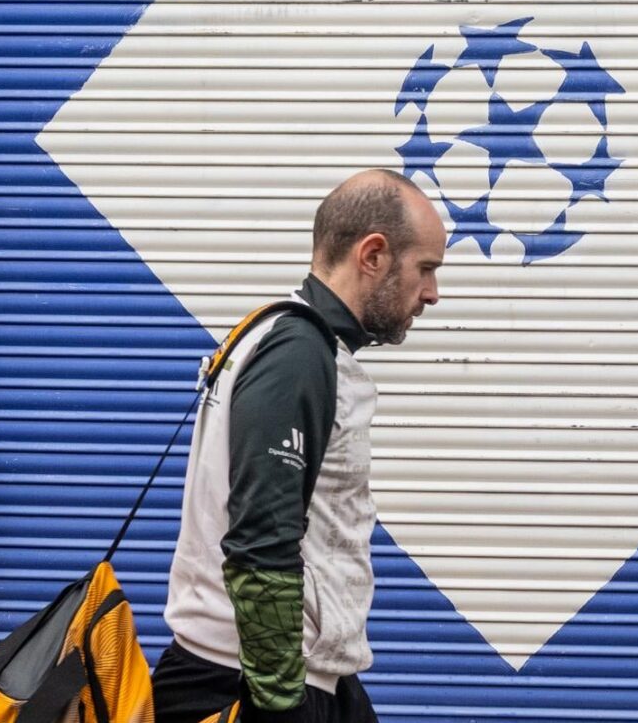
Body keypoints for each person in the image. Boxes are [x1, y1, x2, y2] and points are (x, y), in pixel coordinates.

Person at [153, 169, 447, 723]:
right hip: (249, 682)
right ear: (373, 255)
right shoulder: (298, 354)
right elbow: (261, 539)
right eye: (425, 268)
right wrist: (280, 704)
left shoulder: (295, 341)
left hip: (291, 674)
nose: (432, 293)